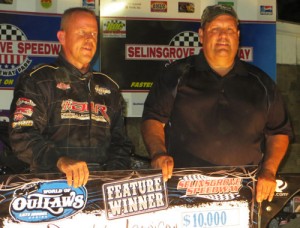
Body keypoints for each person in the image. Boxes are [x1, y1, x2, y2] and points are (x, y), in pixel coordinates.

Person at [141, 4, 293, 203]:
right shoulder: (176, 74)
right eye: (215, 29)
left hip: (245, 193)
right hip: (186, 192)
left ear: (238, 35)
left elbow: (279, 132)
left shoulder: (261, 82)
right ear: (202, 35)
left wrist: (269, 171)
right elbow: (153, 119)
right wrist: (158, 153)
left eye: (229, 29)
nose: (223, 36)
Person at [9, 7, 132, 187]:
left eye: (93, 34)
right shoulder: (39, 80)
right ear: (62, 37)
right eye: (82, 32)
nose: (89, 39)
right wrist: (59, 161)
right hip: (52, 188)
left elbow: (121, 143)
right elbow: (22, 135)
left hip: (101, 189)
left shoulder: (109, 87)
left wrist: (112, 177)